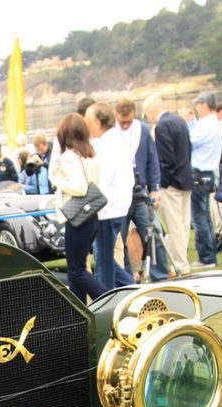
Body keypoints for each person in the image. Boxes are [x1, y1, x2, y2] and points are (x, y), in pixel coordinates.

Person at [50, 113, 106, 304]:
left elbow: (80, 188)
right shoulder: (90, 154)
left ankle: (107, 298)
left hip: (77, 218)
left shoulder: (69, 157)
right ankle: (79, 310)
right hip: (91, 217)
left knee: (76, 270)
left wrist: (57, 179)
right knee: (76, 270)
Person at [115, 99, 167, 281]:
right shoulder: (111, 133)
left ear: (134, 114)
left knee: (154, 233)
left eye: (128, 121)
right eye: (122, 122)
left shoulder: (143, 130)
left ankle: (160, 275)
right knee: (120, 240)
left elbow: (153, 160)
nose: (125, 125)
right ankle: (127, 278)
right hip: (119, 195)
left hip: (141, 192)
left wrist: (155, 189)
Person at [85, 102, 134, 290]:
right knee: (105, 260)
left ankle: (107, 299)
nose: (87, 125)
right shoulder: (116, 141)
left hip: (107, 210)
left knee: (104, 266)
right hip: (115, 207)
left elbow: (101, 180)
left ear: (98, 122)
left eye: (89, 121)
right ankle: (133, 291)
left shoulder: (107, 145)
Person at [145, 97, 193, 277]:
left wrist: (160, 185)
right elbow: (188, 149)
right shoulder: (180, 121)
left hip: (171, 182)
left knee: (175, 226)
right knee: (183, 224)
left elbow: (165, 159)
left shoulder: (161, 126)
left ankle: (180, 265)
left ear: (151, 111)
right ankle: (180, 262)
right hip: (185, 177)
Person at [188, 92, 222, 269]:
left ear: (204, 105)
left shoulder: (205, 126)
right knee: (205, 216)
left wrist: (189, 124)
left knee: (199, 218)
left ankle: (206, 257)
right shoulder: (215, 124)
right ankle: (211, 254)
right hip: (209, 172)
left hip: (199, 173)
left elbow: (189, 141)